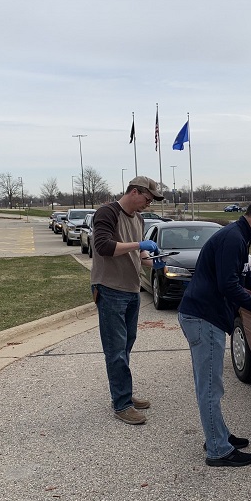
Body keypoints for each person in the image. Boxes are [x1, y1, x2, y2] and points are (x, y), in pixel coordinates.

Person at [178, 197, 251, 467]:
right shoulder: (233, 239)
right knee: (209, 386)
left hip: (205, 317)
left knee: (210, 384)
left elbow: (243, 276)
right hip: (204, 318)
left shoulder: (238, 237)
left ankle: (218, 435)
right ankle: (217, 450)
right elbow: (229, 286)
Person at [90, 176, 164, 425]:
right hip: (110, 289)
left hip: (132, 290)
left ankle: (124, 394)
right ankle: (122, 404)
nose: (148, 204)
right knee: (116, 350)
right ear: (134, 192)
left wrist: (154, 260)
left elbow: (138, 254)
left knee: (126, 346)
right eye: (147, 198)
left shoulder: (139, 219)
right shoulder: (107, 213)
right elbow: (103, 246)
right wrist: (138, 244)